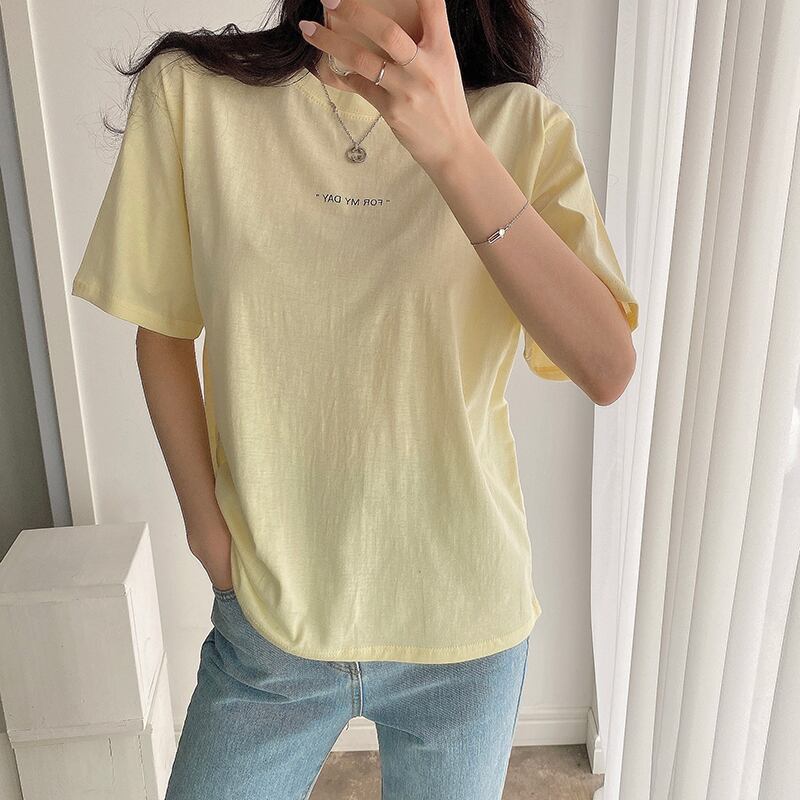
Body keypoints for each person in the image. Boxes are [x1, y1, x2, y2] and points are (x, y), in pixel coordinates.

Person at [71, 0, 639, 797]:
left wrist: (454, 148)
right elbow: (161, 329)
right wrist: (210, 538)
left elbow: (606, 367)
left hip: (464, 624)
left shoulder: (521, 128)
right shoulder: (194, 97)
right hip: (269, 618)